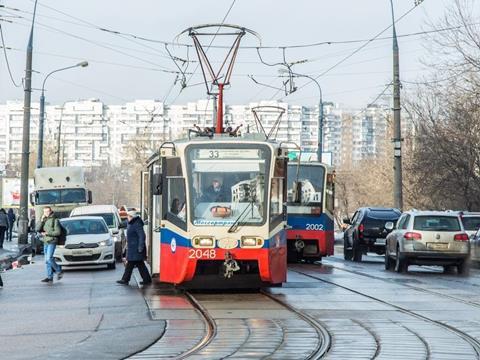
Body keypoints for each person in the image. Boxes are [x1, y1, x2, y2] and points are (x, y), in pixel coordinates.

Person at [117, 211, 152, 286]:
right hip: (133, 248)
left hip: (136, 249)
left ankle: (125, 279)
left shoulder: (136, 224)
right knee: (140, 264)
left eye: (128, 216)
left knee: (131, 264)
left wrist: (140, 247)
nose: (127, 218)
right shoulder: (131, 222)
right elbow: (124, 224)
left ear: (132, 217)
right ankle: (147, 279)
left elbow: (142, 236)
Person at [37, 206, 63, 283]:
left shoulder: (55, 220)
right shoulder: (44, 220)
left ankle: (59, 270)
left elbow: (58, 232)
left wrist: (48, 233)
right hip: (45, 242)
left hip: (52, 241)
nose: (46, 213)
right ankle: (50, 277)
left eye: (48, 211)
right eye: (45, 212)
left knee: (49, 258)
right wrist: (41, 220)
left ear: (51, 211)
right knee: (47, 261)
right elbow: (37, 229)